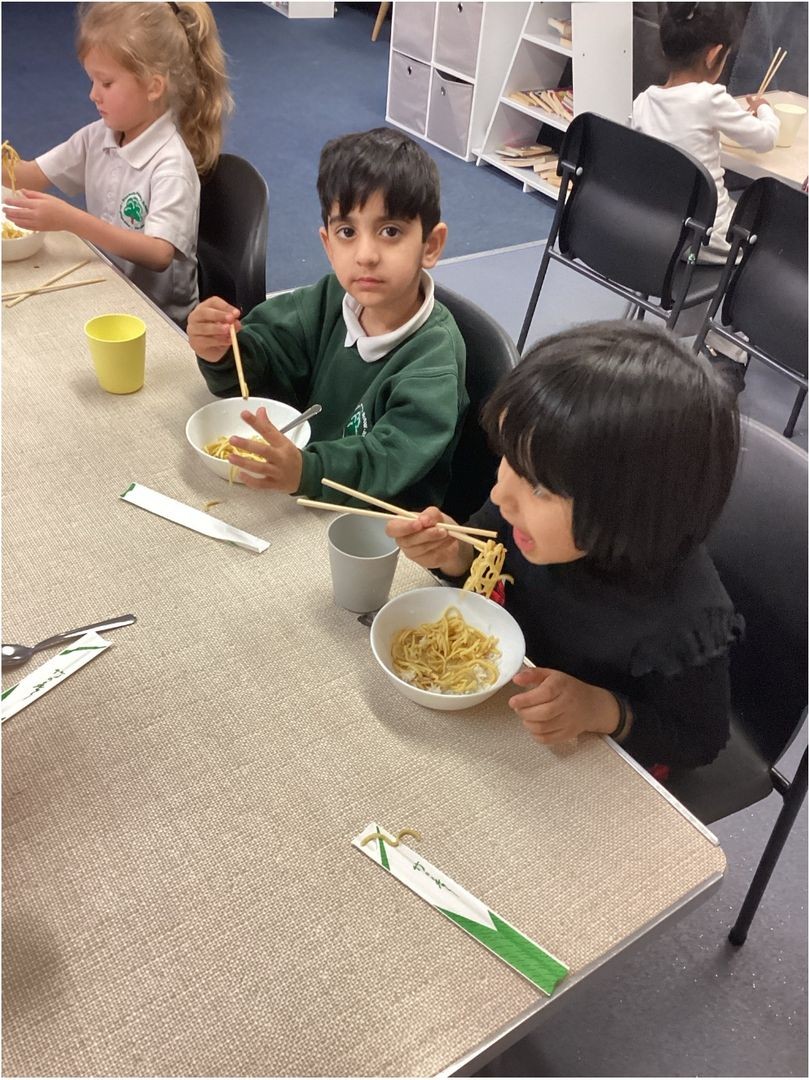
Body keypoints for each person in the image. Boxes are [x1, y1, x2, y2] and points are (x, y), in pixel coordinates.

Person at [386, 321, 744, 780]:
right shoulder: (523, 522)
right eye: (508, 459)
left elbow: (698, 740)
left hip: (593, 761)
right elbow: (484, 569)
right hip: (503, 704)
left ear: (625, 508)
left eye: (537, 486)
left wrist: (603, 709)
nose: (500, 495)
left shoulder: (685, 621)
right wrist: (453, 556)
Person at [187, 127, 468, 509]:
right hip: (307, 490)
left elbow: (386, 462)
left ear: (430, 245)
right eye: (347, 232)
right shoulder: (333, 298)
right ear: (327, 244)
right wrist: (223, 349)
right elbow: (266, 359)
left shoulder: (432, 362)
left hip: (375, 528)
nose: (366, 254)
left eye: (390, 231)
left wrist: (306, 469)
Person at [2, 2, 231, 327]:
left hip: (160, 320)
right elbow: (28, 177)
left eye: (106, 83)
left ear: (154, 86)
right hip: (108, 288)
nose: (93, 95)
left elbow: (158, 254)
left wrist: (71, 219)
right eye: (92, 81)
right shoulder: (98, 136)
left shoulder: (170, 164)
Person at [632, 2, 779, 265]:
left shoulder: (643, 101)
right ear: (714, 55)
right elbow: (766, 138)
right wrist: (765, 109)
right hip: (711, 236)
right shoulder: (709, 98)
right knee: (774, 230)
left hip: (660, 228)